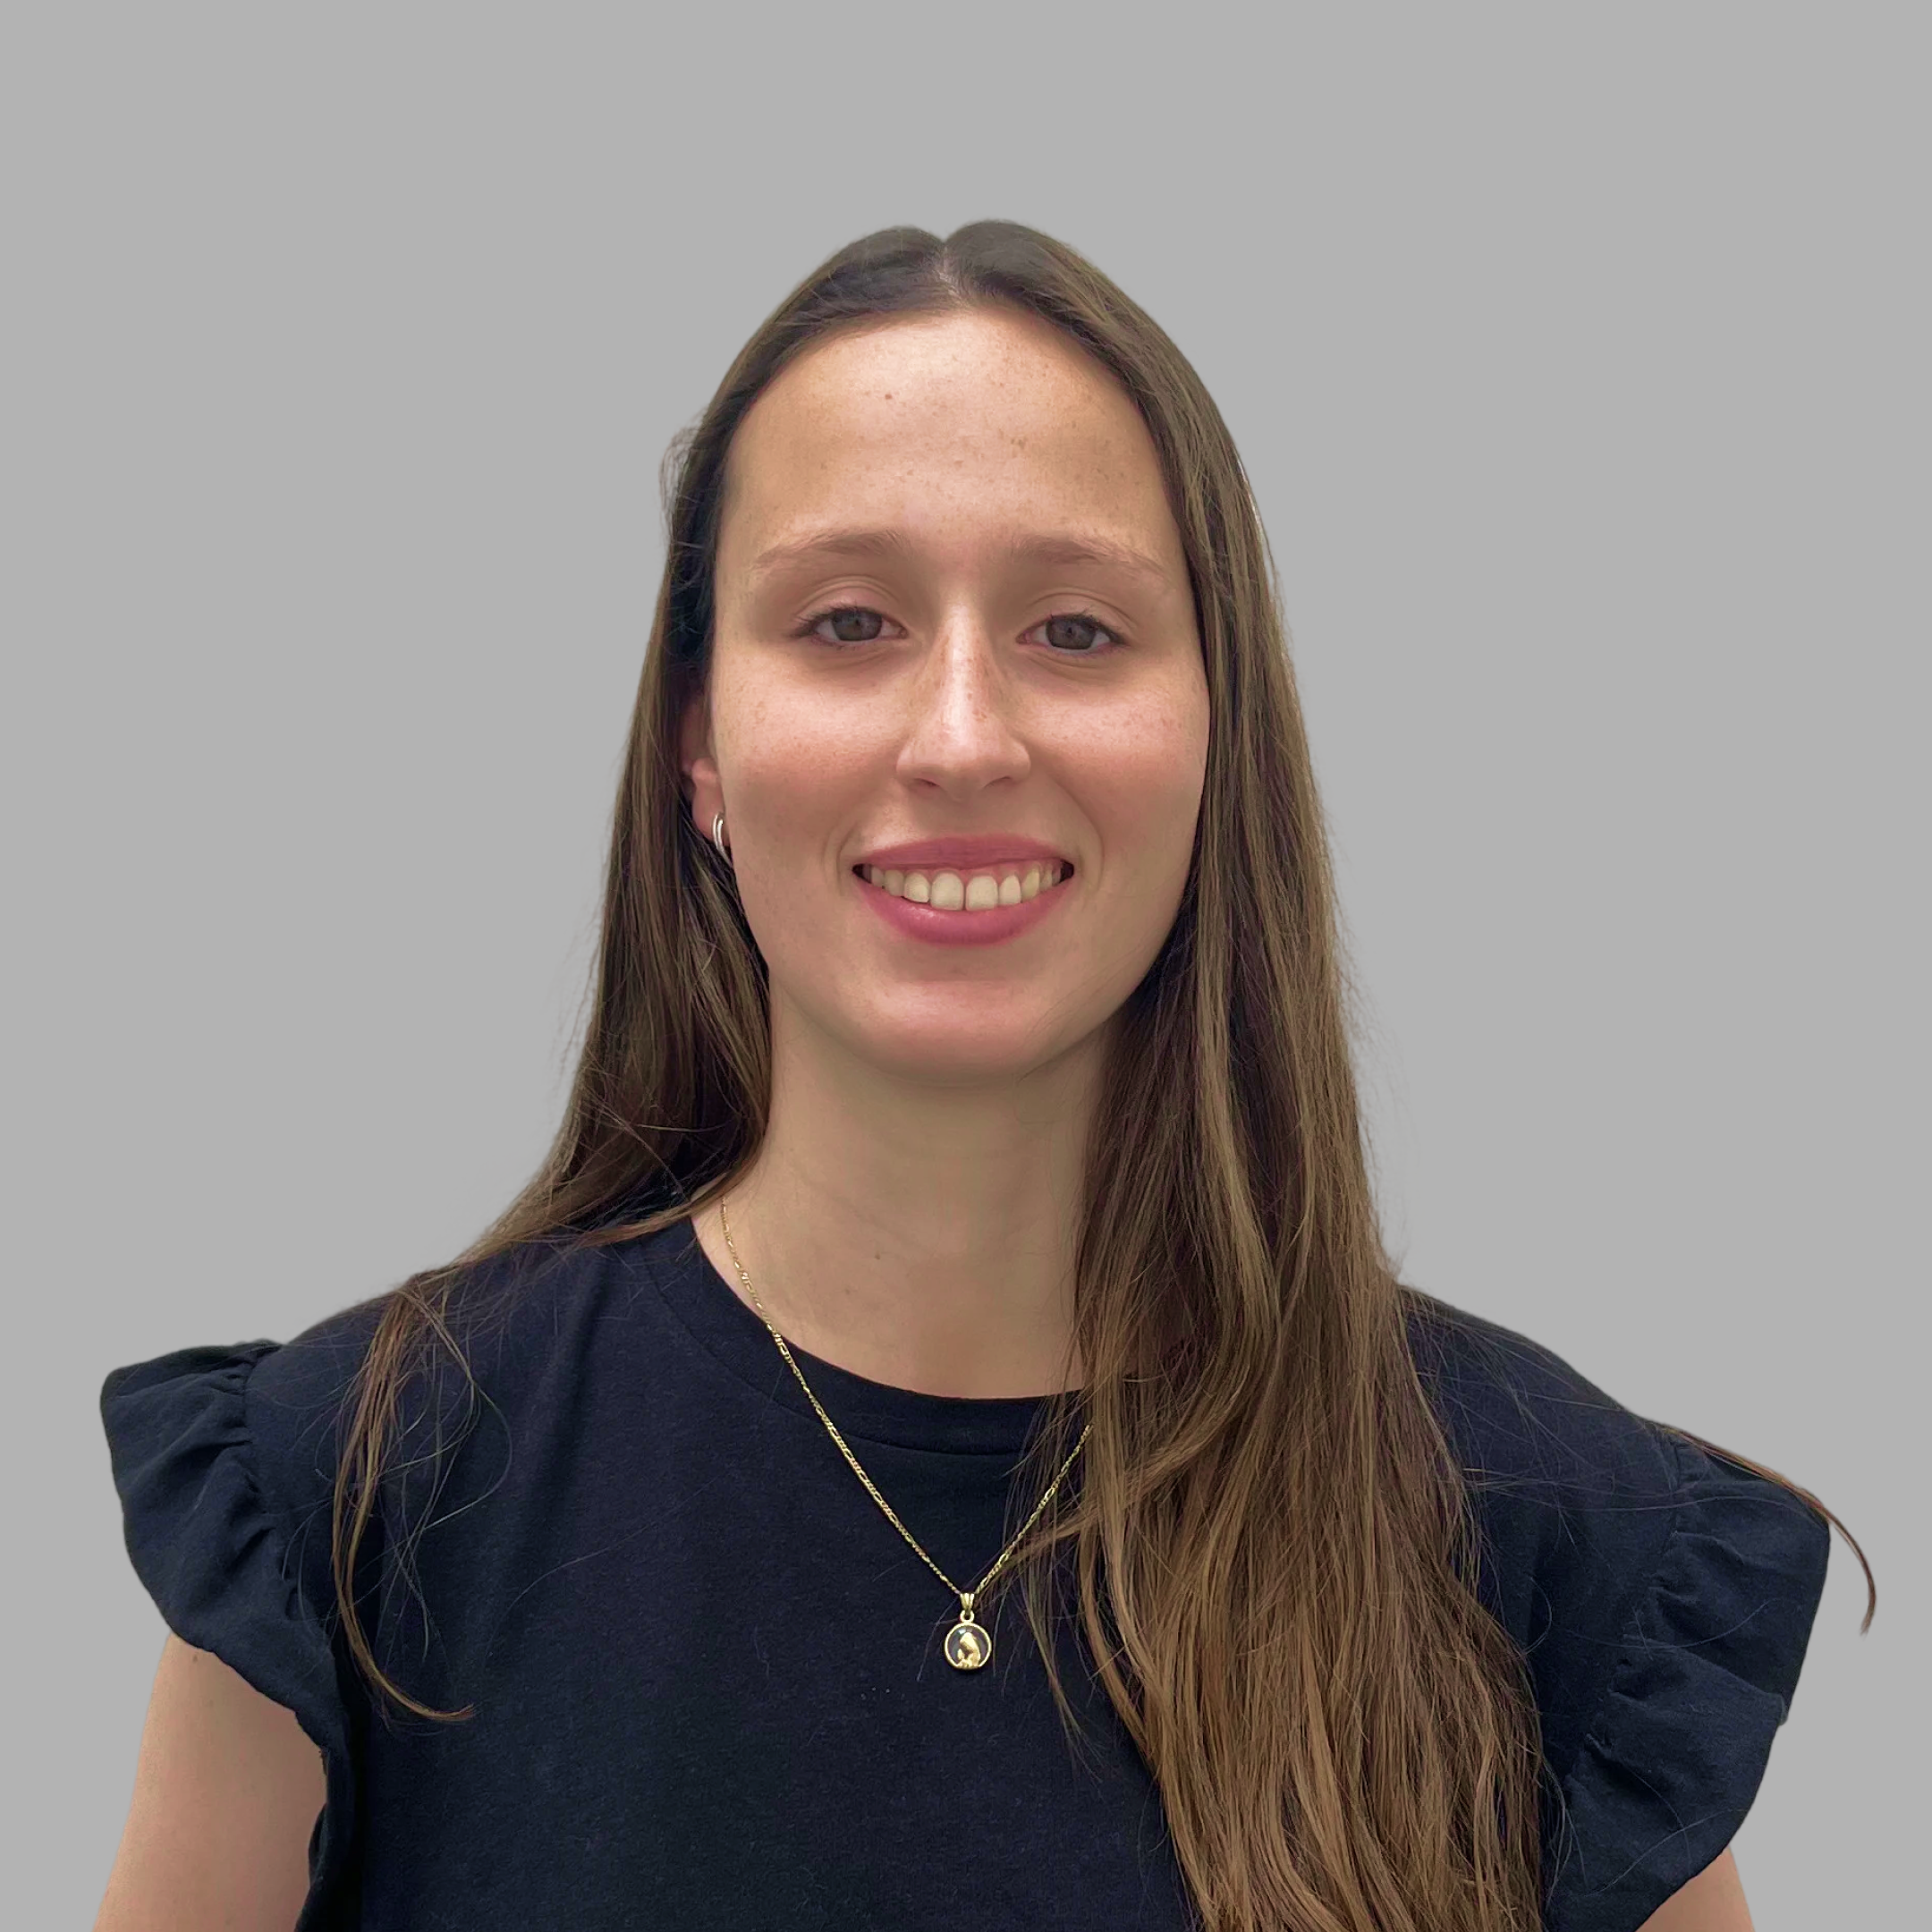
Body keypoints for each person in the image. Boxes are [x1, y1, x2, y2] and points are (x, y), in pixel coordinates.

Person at [95, 222, 1869, 1932]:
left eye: (1077, 631)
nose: (962, 736)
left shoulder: (1547, 1539)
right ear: (701, 750)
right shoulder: (357, 1505)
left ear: (1213, 738)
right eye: (848, 623)